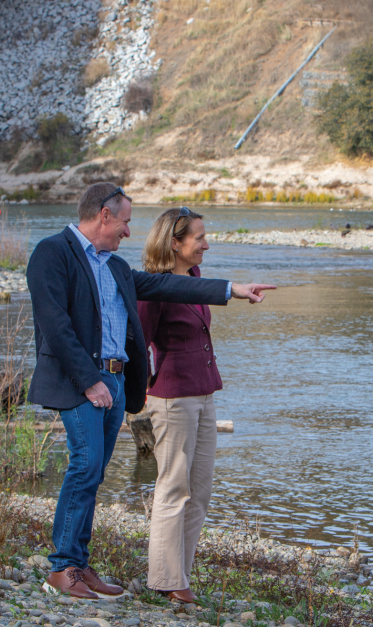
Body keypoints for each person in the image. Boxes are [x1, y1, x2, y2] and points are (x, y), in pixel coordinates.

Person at [26, 182, 276, 600]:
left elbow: (168, 287)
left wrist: (231, 289)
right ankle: (62, 568)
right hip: (80, 381)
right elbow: (54, 324)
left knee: (95, 473)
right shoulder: (52, 253)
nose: (128, 231)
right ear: (104, 215)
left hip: (115, 380)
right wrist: (90, 382)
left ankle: (79, 565)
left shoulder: (115, 266)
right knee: (85, 466)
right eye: (125, 221)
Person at [137, 207, 227, 603]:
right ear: (175, 243)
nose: (206, 243)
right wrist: (137, 388)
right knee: (174, 488)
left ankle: (180, 576)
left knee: (200, 491)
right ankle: (165, 578)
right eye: (199, 238)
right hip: (173, 399)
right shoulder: (154, 286)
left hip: (204, 393)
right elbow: (137, 342)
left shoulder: (194, 277)